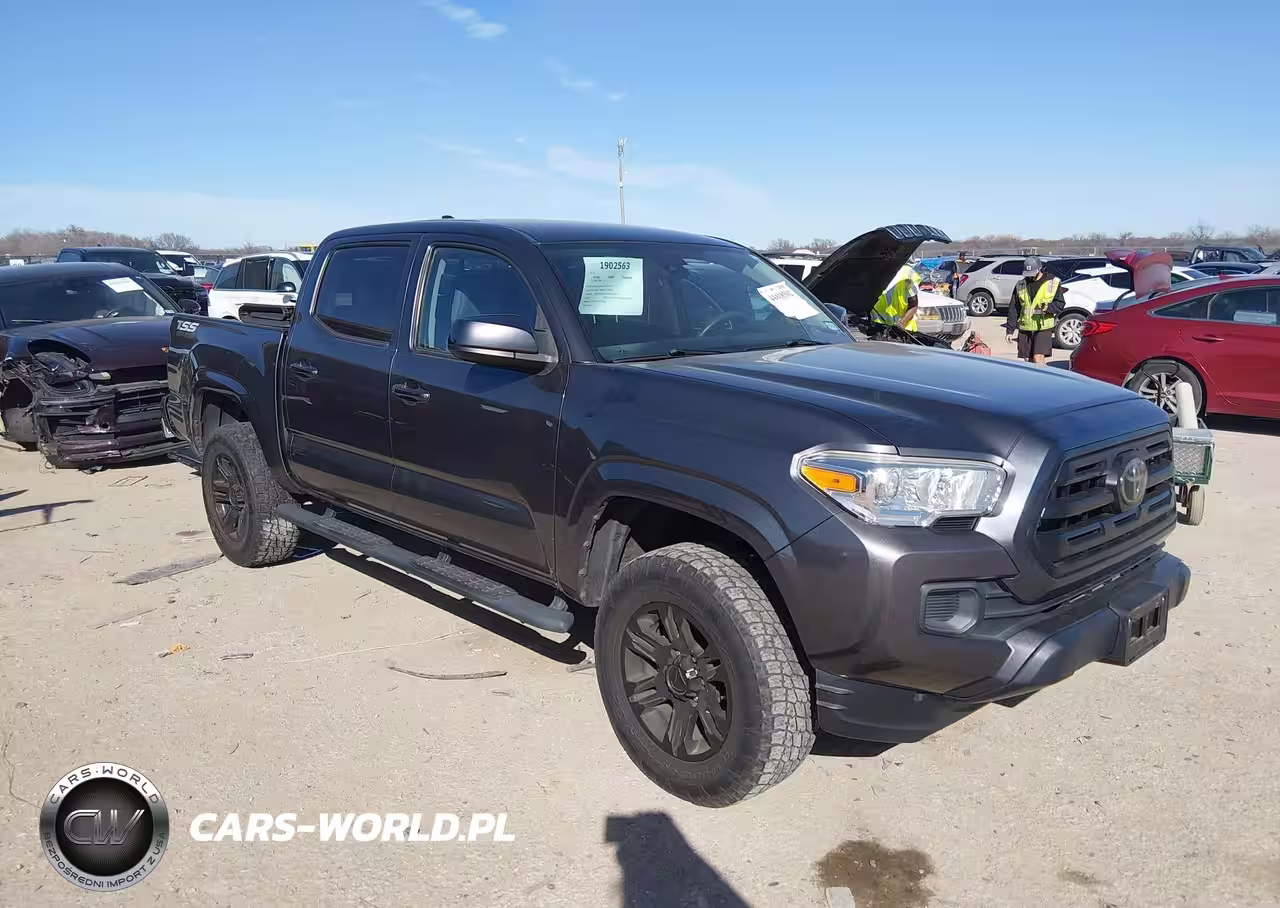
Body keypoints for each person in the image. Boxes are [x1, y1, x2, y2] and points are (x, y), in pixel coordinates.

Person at [1004, 256, 1064, 365]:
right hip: (1025, 327)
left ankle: (1042, 381)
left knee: (1038, 358)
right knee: (1028, 361)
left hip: (1043, 327)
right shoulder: (1020, 285)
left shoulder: (1052, 283)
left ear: (1040, 268)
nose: (1030, 276)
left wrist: (1048, 308)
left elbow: (1060, 304)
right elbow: (1014, 308)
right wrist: (1010, 330)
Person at [872, 264, 921, 331]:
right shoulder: (873, 277)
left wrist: (903, 321)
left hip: (905, 330)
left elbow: (914, 306)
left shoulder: (906, 278)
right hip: (879, 328)